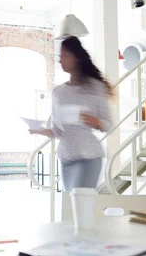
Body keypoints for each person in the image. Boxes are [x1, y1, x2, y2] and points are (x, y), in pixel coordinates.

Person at [30, 36, 112, 191]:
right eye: (60, 57)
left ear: (77, 58)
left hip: (89, 156)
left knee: (80, 202)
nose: (60, 60)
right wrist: (40, 130)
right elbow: (59, 131)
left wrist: (94, 121)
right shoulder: (58, 92)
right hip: (66, 157)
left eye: (65, 56)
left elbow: (108, 124)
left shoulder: (95, 87)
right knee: (73, 205)